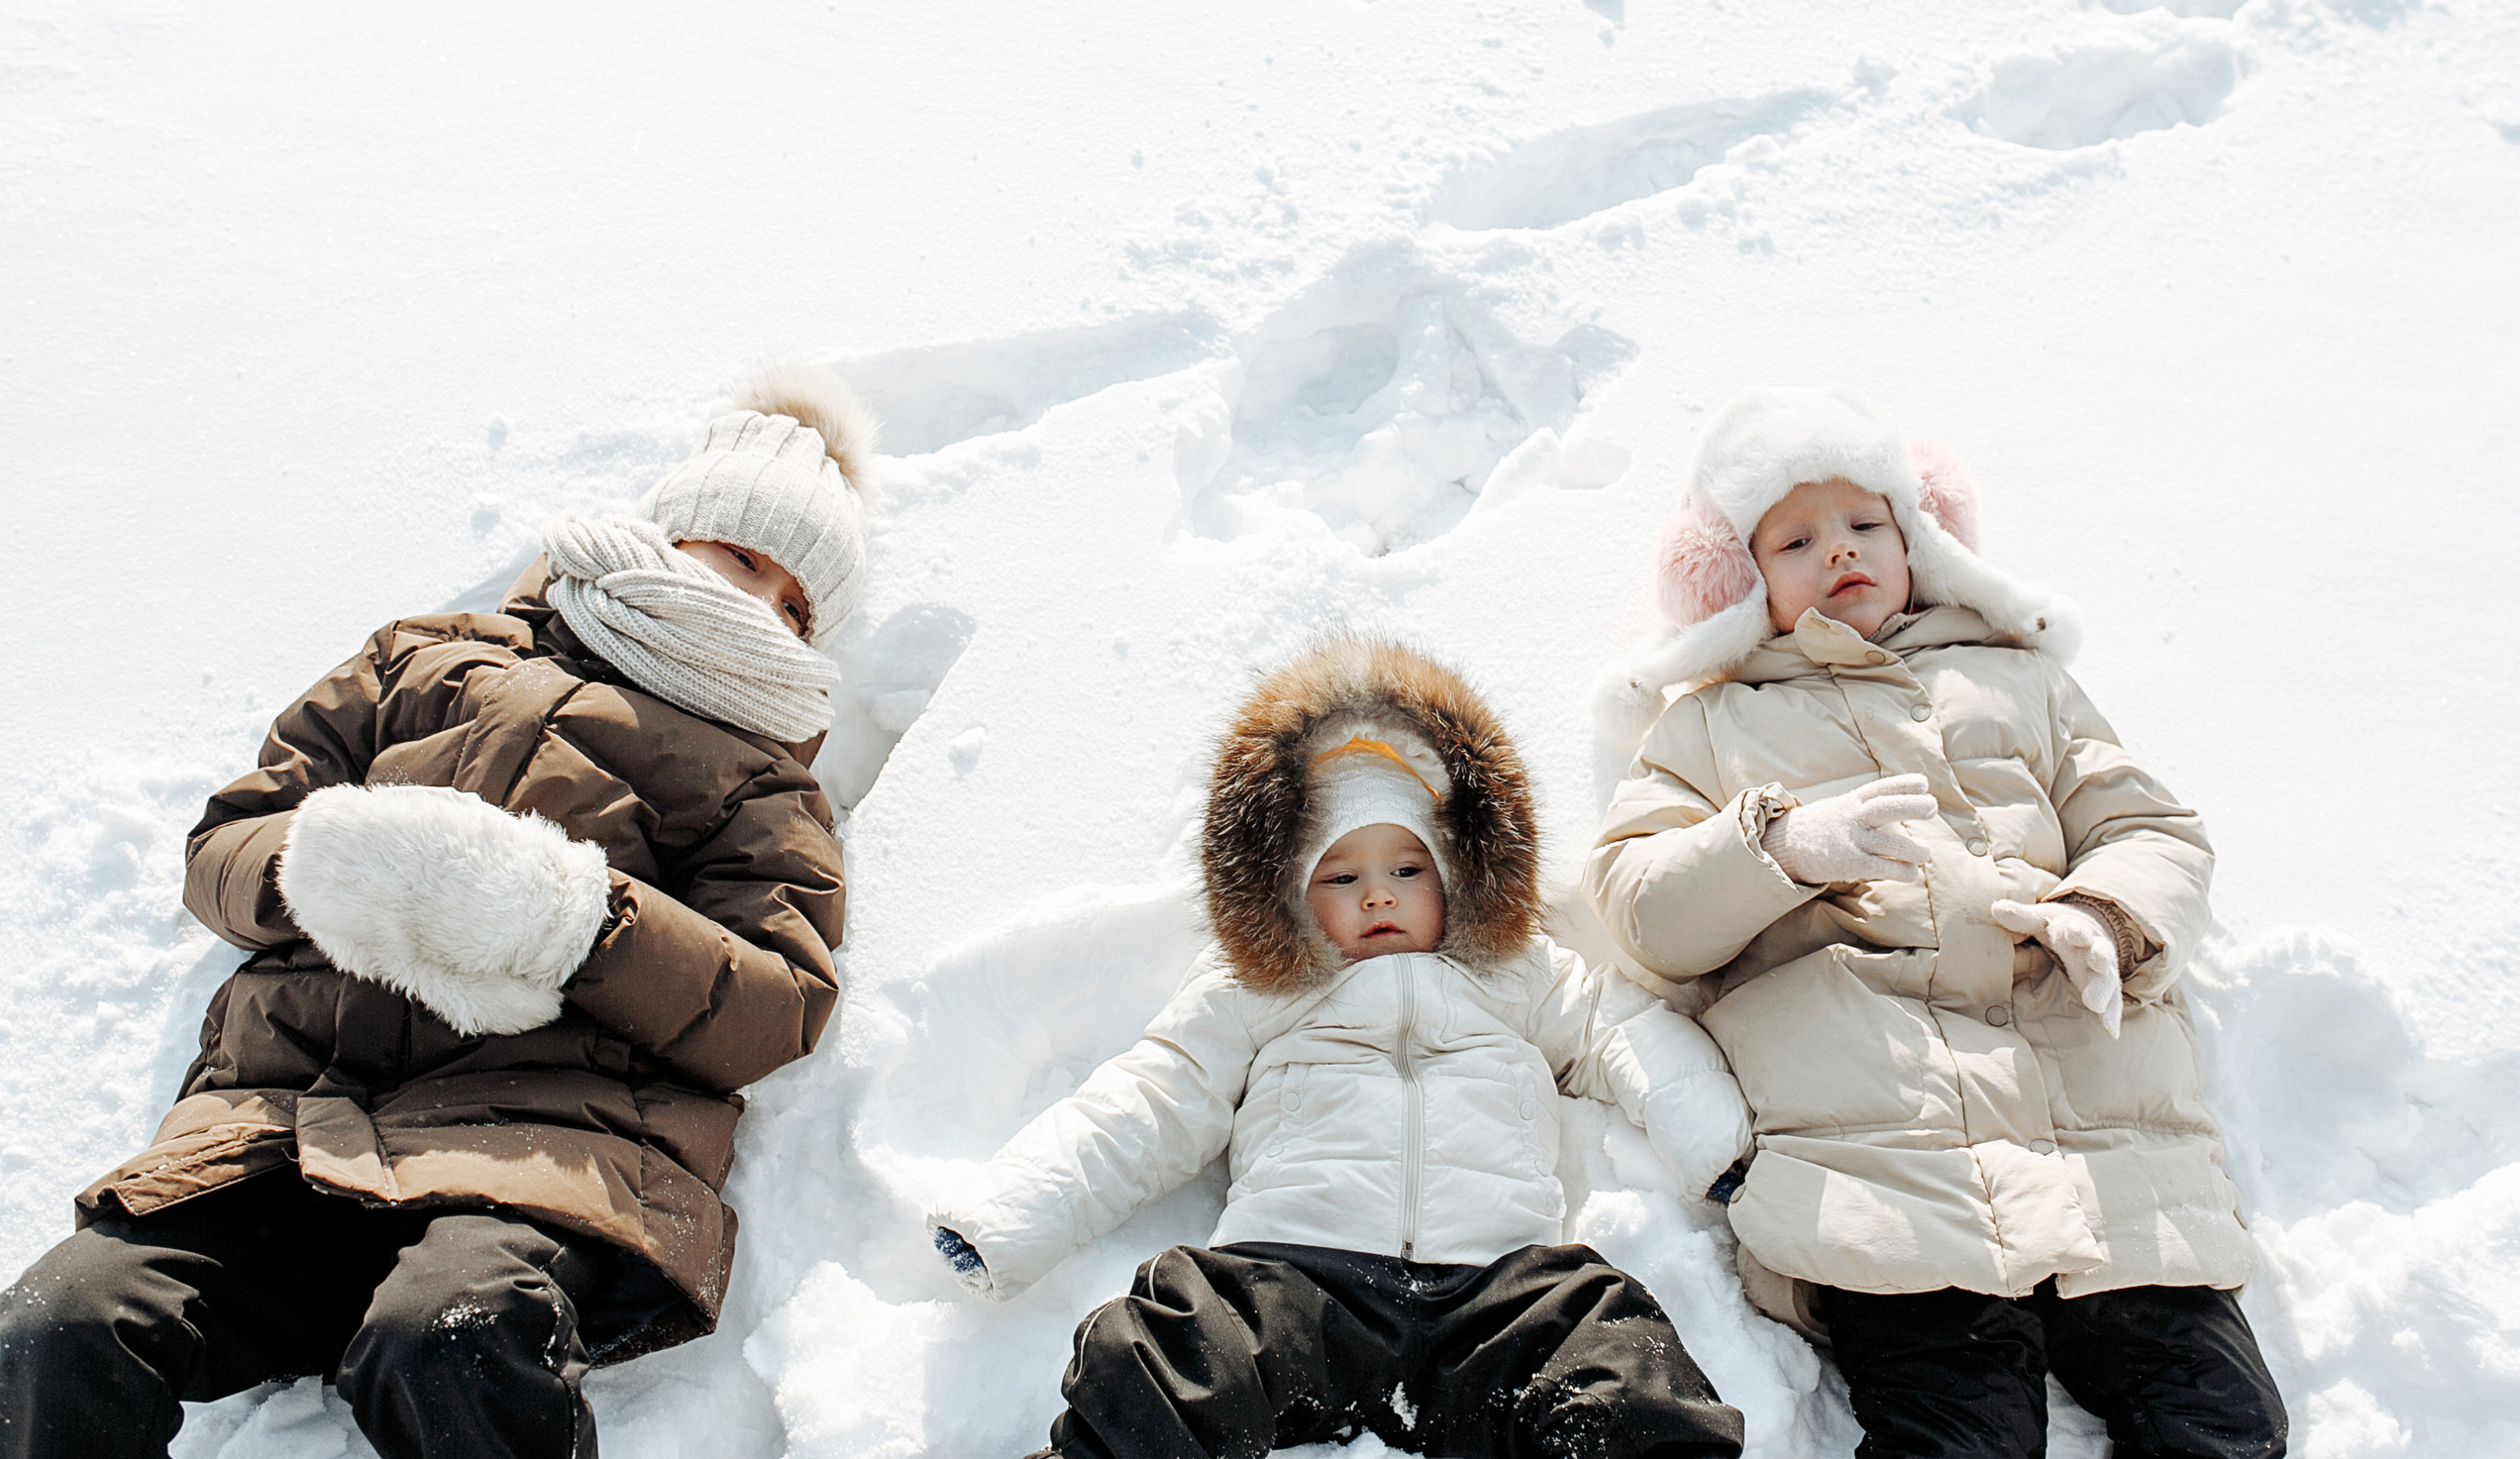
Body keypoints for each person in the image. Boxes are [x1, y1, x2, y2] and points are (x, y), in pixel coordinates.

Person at [0, 369, 876, 1459]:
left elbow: (773, 1003)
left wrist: (575, 918)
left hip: (540, 1156)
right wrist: (325, 868)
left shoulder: (761, 783)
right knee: (60, 1326)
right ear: (673, 532)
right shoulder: (425, 656)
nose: (760, 606)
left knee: (447, 1338)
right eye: (745, 558)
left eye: (796, 606)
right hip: (287, 1133)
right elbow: (222, 850)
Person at [1585, 386, 2287, 1459]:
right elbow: (1643, 910)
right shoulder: (1710, 727)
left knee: (2219, 1424)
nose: (1840, 554)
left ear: (1918, 537)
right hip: (1886, 1165)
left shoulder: (2020, 682)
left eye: (1866, 524)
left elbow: (2150, 825)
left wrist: (2111, 914)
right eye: (1795, 539)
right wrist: (1776, 848)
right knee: (1959, 1433)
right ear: (1736, 579)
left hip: (2103, 1146)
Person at [930, 635, 1751, 1459]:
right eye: (1340, 876)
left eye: (1407, 867)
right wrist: (1013, 1214)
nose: (1377, 895)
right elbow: (1154, 1096)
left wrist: (1706, 1134)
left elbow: (1620, 1027)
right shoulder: (1260, 984)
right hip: (1297, 1284)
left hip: (1500, 1291)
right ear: (1288, 891)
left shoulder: (1516, 970)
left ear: (1458, 873)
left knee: (1616, 1351)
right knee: (1176, 1342)